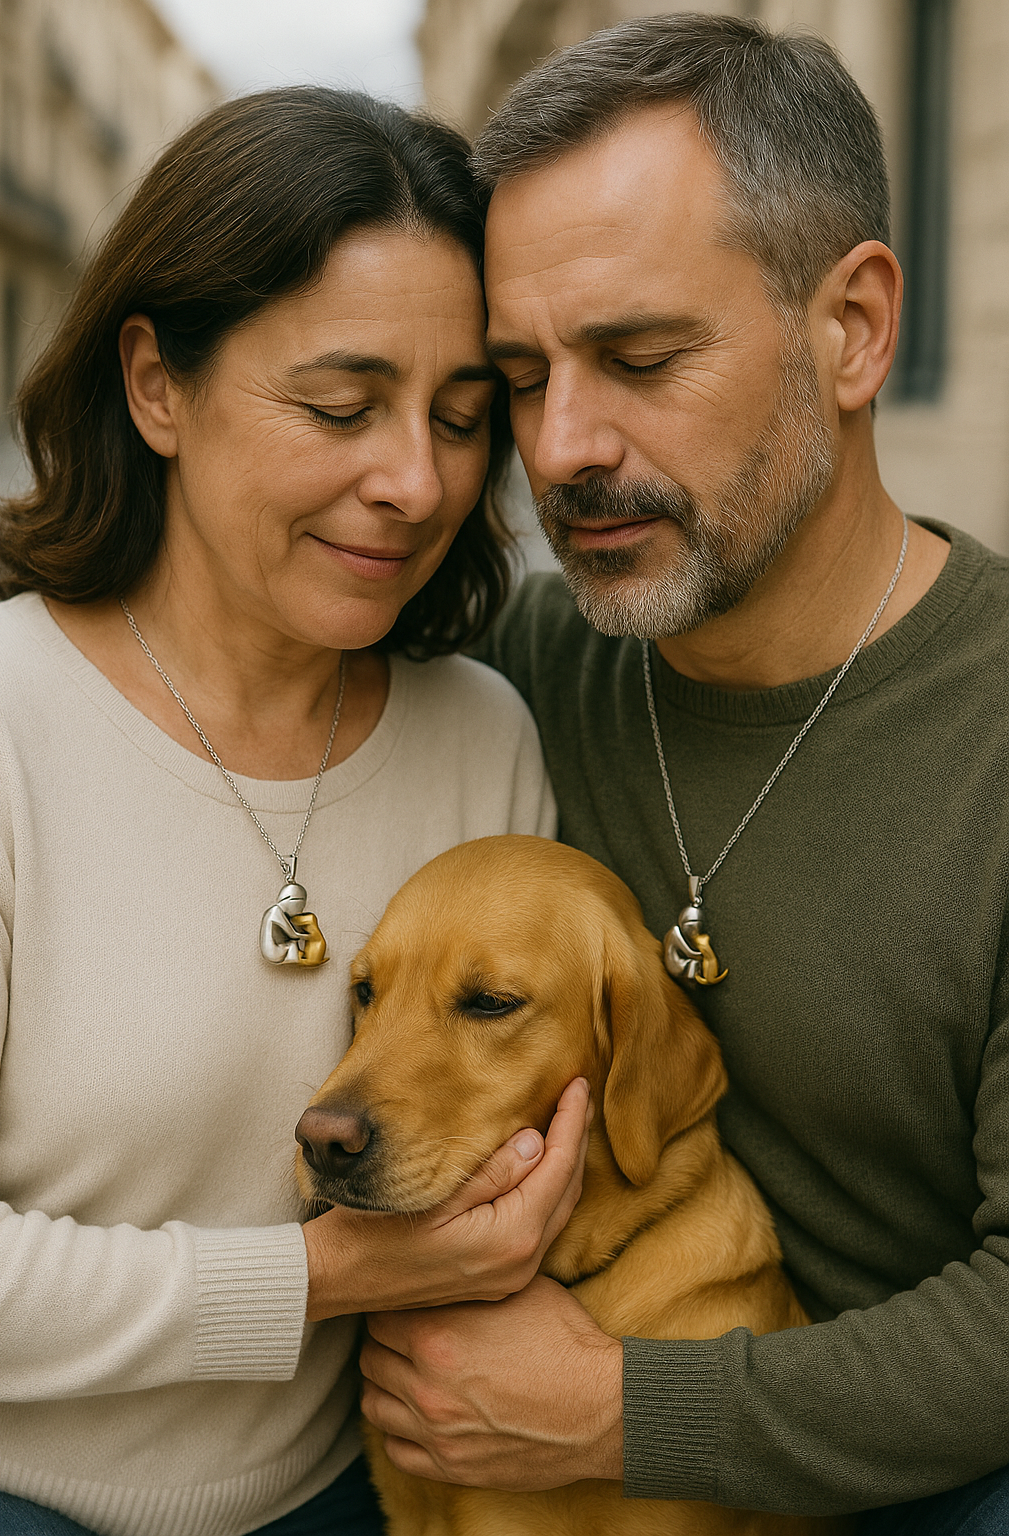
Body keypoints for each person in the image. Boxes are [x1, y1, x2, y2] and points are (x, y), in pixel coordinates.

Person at [358, 16, 1009, 1535]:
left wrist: (621, 1414)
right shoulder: (511, 682)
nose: (563, 447)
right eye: (521, 378)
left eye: (642, 357)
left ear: (850, 328)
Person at [0, 87, 592, 1536]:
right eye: (339, 406)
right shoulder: (3, 724)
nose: (415, 481)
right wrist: (324, 1280)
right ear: (156, 387)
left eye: (460, 419)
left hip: (374, 1494)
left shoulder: (484, 741)